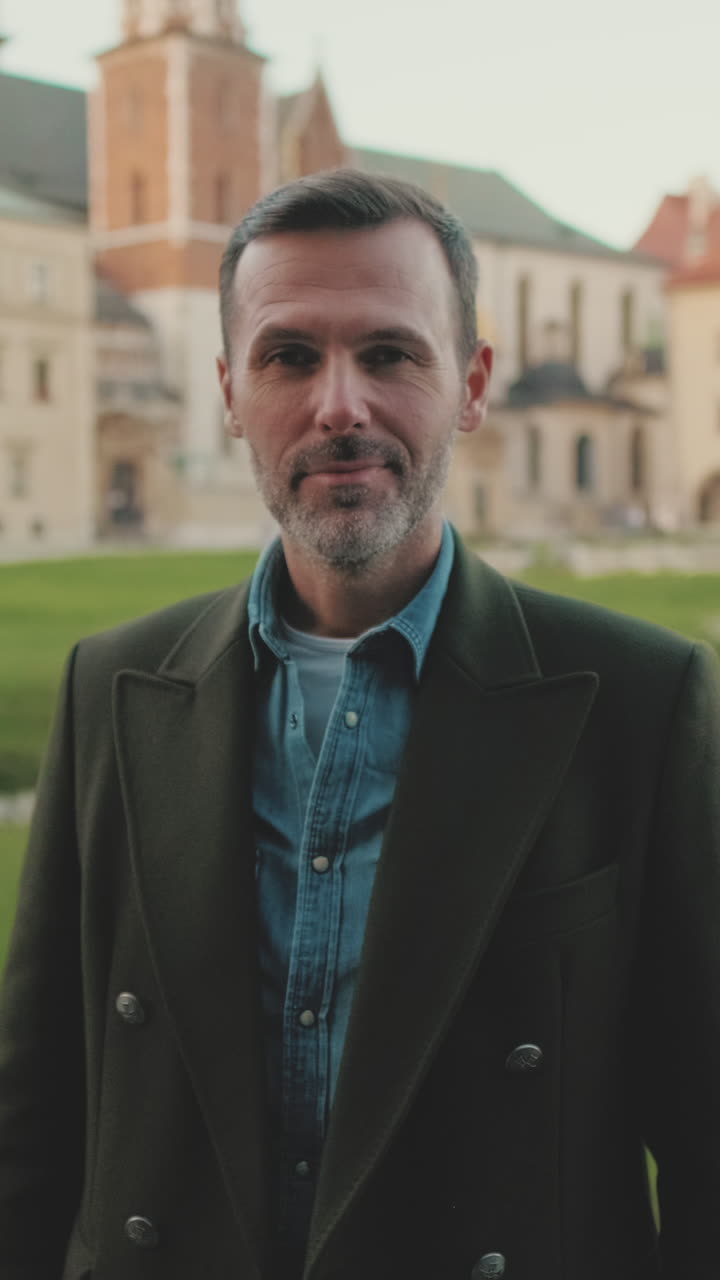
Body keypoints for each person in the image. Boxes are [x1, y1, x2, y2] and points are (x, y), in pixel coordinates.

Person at [1, 170, 719, 1280]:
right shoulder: (115, 684)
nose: (341, 404)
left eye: (390, 353)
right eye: (289, 356)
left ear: (473, 385)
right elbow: (36, 1104)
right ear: (232, 389)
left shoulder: (638, 698)